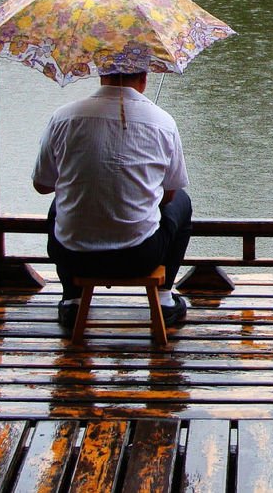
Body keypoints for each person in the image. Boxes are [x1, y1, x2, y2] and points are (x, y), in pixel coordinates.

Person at [34, 71, 193, 335]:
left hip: (74, 257)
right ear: (143, 78)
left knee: (59, 202)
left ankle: (72, 300)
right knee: (183, 203)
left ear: (101, 75)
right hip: (139, 257)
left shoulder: (64, 117)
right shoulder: (163, 122)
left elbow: (42, 185)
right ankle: (165, 299)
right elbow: (170, 195)